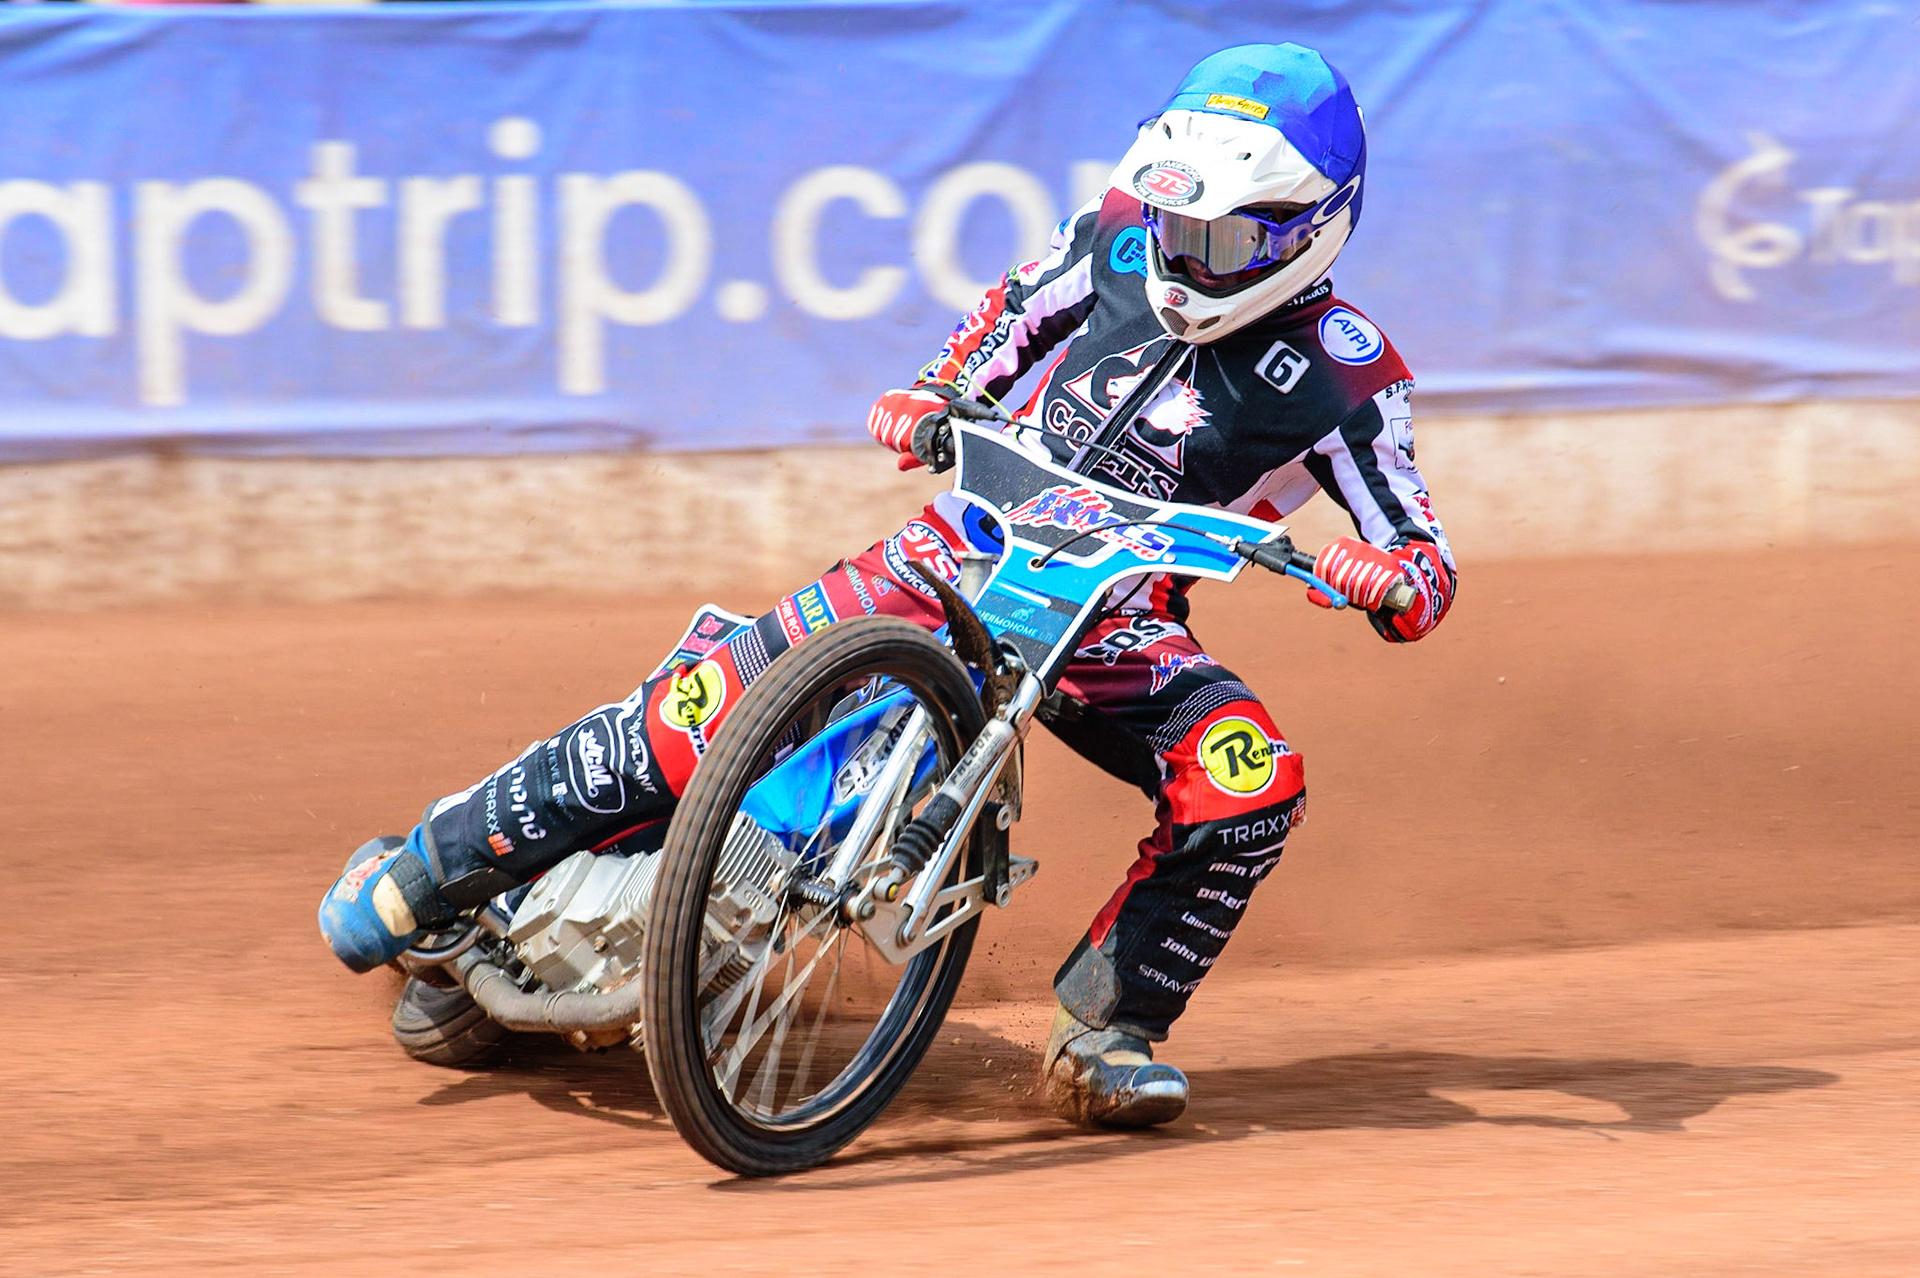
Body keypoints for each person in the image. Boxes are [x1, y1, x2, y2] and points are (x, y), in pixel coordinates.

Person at [318, 42, 1456, 1129]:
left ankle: (1107, 1034)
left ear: (1310, 232)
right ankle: (437, 868)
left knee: (1246, 782)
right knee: (698, 710)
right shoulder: (1110, 238)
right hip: (956, 553)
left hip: (1117, 626)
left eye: (1217, 238)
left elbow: (1424, 553)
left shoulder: (1351, 375)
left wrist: (1391, 577)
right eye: (1172, 218)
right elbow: (993, 333)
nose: (1180, 254)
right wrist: (930, 395)